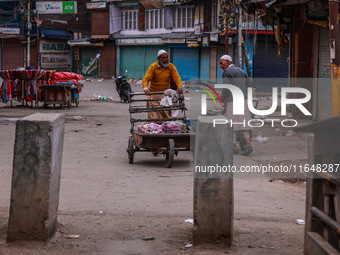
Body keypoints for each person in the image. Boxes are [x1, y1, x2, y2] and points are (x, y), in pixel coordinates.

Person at [219, 54, 253, 156]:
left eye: (221, 63)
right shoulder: (241, 71)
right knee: (243, 124)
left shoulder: (227, 72)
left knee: (232, 125)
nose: (220, 66)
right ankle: (248, 144)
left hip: (232, 101)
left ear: (227, 62)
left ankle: (234, 148)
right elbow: (250, 84)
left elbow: (226, 88)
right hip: (243, 100)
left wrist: (222, 99)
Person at [142, 49, 183, 120]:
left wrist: (180, 87)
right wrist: (145, 88)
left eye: (167, 58)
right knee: (154, 117)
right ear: (158, 58)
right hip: (154, 95)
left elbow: (177, 77)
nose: (166, 59)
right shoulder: (153, 67)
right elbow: (146, 79)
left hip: (166, 96)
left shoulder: (171, 67)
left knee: (167, 116)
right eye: (164, 58)